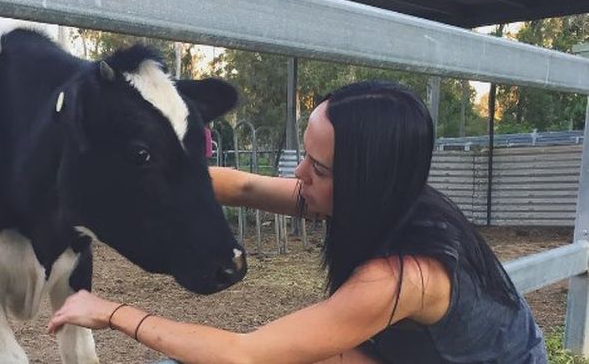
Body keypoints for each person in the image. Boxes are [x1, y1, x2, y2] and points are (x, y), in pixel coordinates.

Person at [48, 81, 548, 363]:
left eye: (319, 168)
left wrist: (110, 310)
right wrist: (147, 168)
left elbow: (242, 354)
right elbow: (242, 186)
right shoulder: (386, 198)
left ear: (364, 181)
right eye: (305, 155)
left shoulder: (402, 277)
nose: (297, 175)